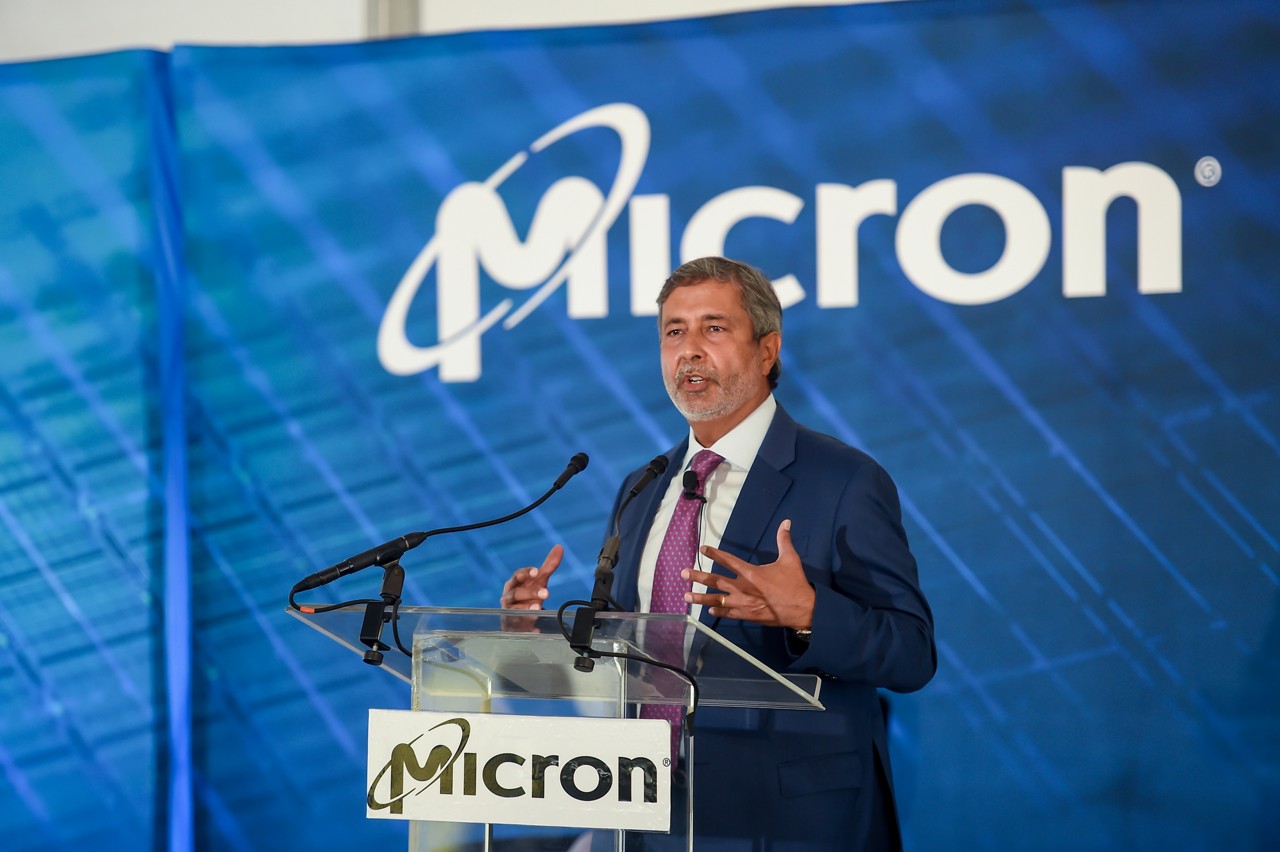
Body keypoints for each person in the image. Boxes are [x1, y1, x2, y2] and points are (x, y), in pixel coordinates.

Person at [501, 256, 936, 850]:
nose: (690, 350)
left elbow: (911, 652)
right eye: (674, 331)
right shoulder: (642, 487)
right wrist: (534, 635)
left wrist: (809, 614)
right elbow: (636, 650)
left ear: (767, 350)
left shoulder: (843, 480)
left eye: (714, 327)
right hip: (649, 814)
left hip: (787, 822)